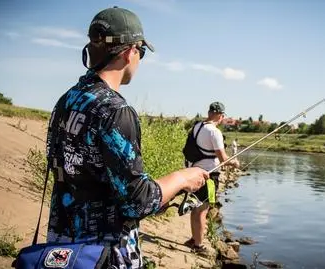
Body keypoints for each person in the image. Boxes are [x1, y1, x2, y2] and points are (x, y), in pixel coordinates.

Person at [45, 6, 208, 269]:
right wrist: (182, 178)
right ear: (130, 51)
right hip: (103, 255)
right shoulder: (116, 110)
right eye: (141, 52)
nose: (139, 59)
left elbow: (82, 175)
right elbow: (137, 202)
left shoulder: (67, 100)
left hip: (61, 249)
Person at [184, 102, 239, 254]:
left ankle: (194, 239)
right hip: (209, 175)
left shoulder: (197, 127)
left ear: (209, 112)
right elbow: (223, 160)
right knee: (202, 210)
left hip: (194, 172)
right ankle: (198, 245)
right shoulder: (215, 132)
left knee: (195, 207)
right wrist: (234, 162)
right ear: (221, 116)